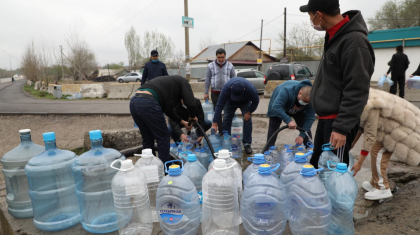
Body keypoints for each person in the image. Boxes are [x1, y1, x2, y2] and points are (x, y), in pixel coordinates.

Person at [300, 0, 375, 167]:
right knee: (318, 167)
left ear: (319, 15)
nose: (311, 21)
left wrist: (341, 128)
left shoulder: (354, 42)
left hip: (338, 122)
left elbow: (357, 89)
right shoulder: (335, 36)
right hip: (327, 120)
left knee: (333, 175)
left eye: (311, 16)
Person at [350, 89, 420, 200]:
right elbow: (362, 125)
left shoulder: (370, 105)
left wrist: (359, 163)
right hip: (392, 125)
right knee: (376, 150)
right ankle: (375, 182)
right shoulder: (362, 95)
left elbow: (370, 135)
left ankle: (382, 188)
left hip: (400, 127)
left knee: (377, 151)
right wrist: (352, 143)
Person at [130, 75, 197, 165]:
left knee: (148, 137)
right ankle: (165, 170)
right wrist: (192, 116)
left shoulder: (170, 89)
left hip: (134, 101)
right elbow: (191, 103)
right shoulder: (183, 82)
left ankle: (150, 167)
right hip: (148, 101)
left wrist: (183, 122)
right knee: (163, 137)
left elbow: (168, 112)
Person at [212, 77, 260, 154]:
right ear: (231, 89)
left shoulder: (250, 88)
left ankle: (247, 144)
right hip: (230, 102)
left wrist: (249, 112)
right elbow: (219, 106)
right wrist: (214, 124)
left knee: (248, 121)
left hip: (245, 101)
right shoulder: (226, 88)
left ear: (244, 89)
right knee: (226, 120)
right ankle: (226, 142)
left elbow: (256, 101)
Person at [266, 80, 315, 150]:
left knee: (304, 127)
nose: (303, 104)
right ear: (300, 93)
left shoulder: (312, 97)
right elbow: (276, 107)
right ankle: (268, 151)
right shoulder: (286, 91)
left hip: (297, 110)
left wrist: (302, 135)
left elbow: (310, 118)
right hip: (278, 105)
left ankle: (309, 150)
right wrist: (288, 120)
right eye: (303, 101)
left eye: (306, 103)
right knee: (273, 128)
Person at [204, 48, 236, 133]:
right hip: (215, 93)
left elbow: (234, 79)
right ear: (216, 57)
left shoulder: (230, 66)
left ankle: (226, 130)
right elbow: (207, 79)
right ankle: (221, 131)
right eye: (219, 57)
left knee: (227, 112)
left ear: (225, 56)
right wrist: (206, 92)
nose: (221, 59)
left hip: (227, 93)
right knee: (217, 112)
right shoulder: (210, 66)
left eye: (222, 57)